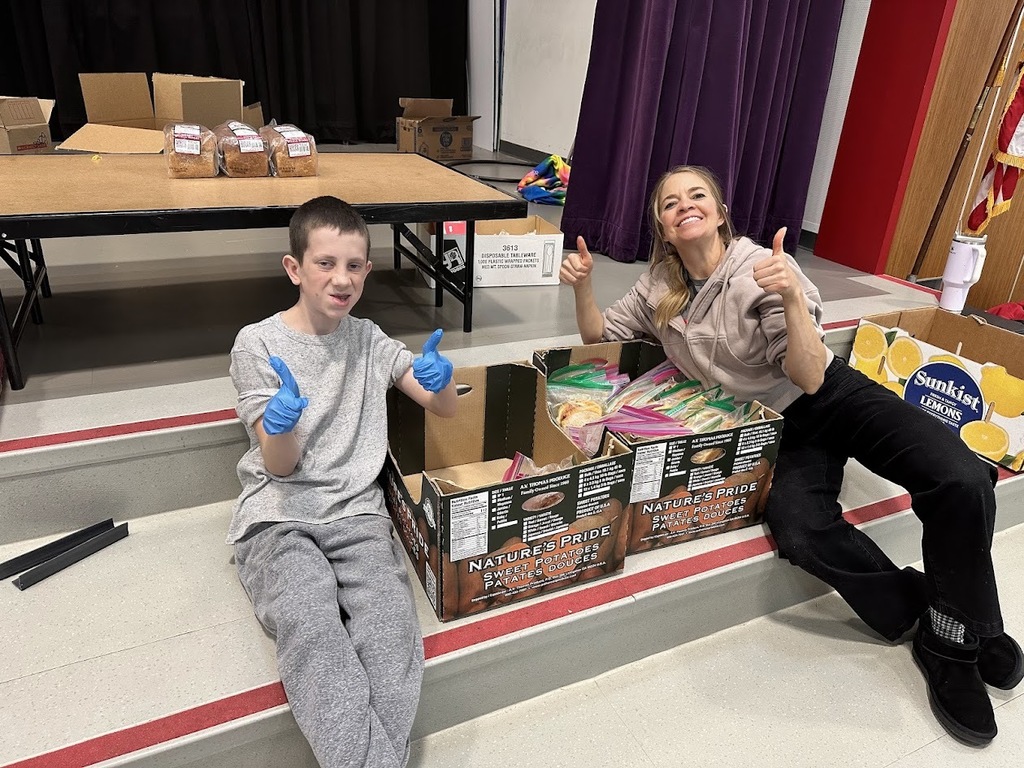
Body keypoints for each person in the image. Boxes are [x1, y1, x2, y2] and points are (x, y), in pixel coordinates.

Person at [560, 165, 1022, 746]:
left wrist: (789, 297)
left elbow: (807, 374)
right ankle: (931, 616)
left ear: (721, 212)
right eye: (670, 203)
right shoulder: (659, 286)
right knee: (801, 532)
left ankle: (960, 636)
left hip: (831, 393)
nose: (685, 206)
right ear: (663, 227)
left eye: (697, 195)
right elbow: (599, 339)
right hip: (775, 430)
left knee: (959, 474)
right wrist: (581, 285)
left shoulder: (761, 267)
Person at [228, 195, 457, 768]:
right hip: (278, 515)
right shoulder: (257, 344)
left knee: (389, 630)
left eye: (354, 265)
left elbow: (442, 406)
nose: (341, 279)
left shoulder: (369, 338)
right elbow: (279, 466)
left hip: (358, 514)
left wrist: (441, 381)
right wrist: (279, 424)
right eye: (326, 263)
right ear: (295, 268)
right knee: (310, 620)